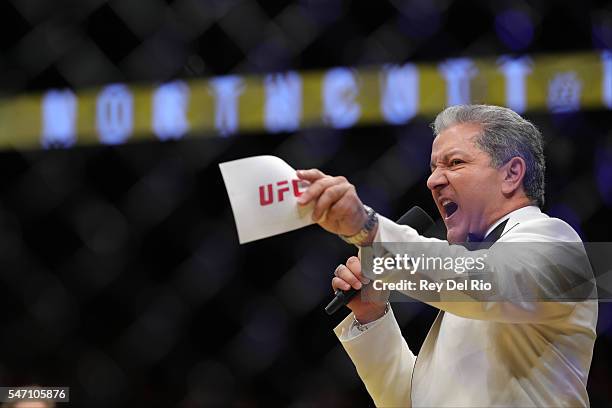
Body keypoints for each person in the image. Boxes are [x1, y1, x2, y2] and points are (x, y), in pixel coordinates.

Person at [296, 105, 597, 407]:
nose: (433, 181)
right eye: (433, 168)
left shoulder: (555, 243)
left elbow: (483, 281)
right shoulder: (469, 275)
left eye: (454, 163)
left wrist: (370, 231)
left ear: (511, 174)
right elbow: (411, 401)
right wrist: (372, 316)